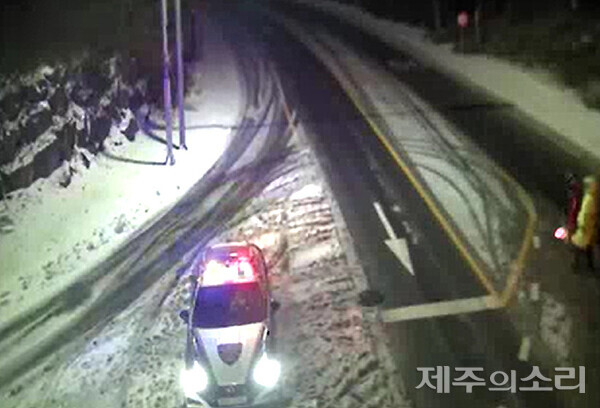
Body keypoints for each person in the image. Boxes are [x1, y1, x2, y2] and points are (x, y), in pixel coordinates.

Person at [571, 175, 599, 272]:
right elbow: (585, 213)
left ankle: (586, 265)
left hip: (588, 227)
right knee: (583, 246)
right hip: (586, 227)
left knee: (586, 246)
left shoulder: (589, 197)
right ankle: (578, 265)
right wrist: (583, 224)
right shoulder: (590, 199)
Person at [565, 172, 583, 237]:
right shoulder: (574, 185)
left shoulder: (574, 186)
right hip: (573, 200)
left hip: (573, 200)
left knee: (572, 213)